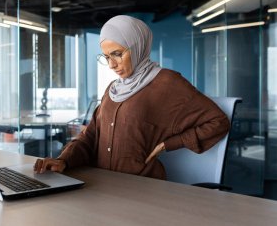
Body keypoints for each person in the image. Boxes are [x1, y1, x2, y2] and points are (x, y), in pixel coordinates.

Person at [34, 15, 230, 180]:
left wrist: (168, 144)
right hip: (102, 184)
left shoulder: (168, 82)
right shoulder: (113, 89)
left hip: (140, 186)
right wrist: (63, 160)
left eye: (117, 54)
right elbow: (91, 135)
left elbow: (218, 121)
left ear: (137, 47)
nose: (111, 65)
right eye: (107, 56)